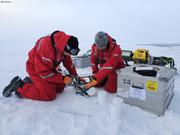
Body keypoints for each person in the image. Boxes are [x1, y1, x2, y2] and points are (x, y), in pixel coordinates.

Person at [2, 30, 82, 101]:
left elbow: (68, 63)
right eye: (70, 53)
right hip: (36, 69)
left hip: (49, 68)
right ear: (66, 47)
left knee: (60, 88)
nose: (70, 55)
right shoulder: (46, 47)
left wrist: (75, 76)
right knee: (49, 94)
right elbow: (44, 73)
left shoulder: (63, 46)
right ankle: (20, 87)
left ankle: (32, 83)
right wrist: (63, 78)